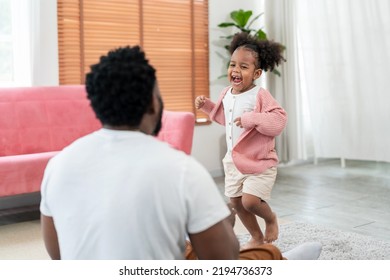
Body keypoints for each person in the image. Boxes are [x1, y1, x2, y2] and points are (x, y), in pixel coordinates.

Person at [40, 45, 239, 260]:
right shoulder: (183, 170)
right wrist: (225, 224)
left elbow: (57, 255)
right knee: (267, 255)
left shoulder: (58, 165)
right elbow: (222, 261)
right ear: (153, 104)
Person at [195, 32, 287, 249]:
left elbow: (278, 121)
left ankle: (270, 218)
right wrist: (207, 105)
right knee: (236, 203)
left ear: (256, 73)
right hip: (233, 162)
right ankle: (255, 236)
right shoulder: (227, 93)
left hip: (258, 162)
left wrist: (251, 118)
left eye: (243, 67)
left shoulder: (260, 95)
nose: (235, 70)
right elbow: (225, 118)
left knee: (250, 201)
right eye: (233, 64)